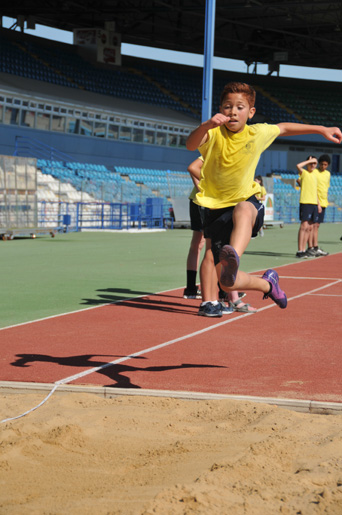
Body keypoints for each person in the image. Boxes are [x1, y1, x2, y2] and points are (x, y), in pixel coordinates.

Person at [186, 81, 342, 308]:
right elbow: (191, 145)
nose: (232, 112)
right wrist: (206, 125)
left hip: (247, 202)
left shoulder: (256, 133)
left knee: (242, 209)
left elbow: (285, 128)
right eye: (227, 106)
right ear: (220, 110)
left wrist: (321, 130)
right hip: (216, 206)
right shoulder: (213, 134)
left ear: (251, 113)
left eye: (239, 107)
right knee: (221, 274)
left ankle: (233, 258)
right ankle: (262, 286)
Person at [188, 157, 255, 316]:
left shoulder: (233, 149)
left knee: (223, 250)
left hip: (227, 203)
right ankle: (208, 302)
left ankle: (219, 299)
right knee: (211, 251)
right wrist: (208, 191)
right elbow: (193, 167)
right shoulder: (216, 146)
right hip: (215, 203)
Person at [183, 175, 205, 299]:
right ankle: (223, 291)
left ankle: (191, 288)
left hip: (199, 199)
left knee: (198, 244)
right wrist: (203, 191)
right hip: (204, 200)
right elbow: (192, 168)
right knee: (212, 245)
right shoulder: (210, 156)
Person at [295, 156, 320, 258]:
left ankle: (304, 249)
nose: (313, 165)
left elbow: (315, 190)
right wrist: (309, 161)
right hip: (306, 202)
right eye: (311, 163)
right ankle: (300, 250)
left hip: (314, 203)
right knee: (304, 226)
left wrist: (318, 204)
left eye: (315, 163)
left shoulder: (315, 175)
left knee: (310, 227)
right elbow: (298, 166)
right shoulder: (304, 173)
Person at [310, 154, 331, 256]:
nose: (323, 167)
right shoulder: (315, 172)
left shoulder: (328, 174)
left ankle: (315, 247)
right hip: (315, 202)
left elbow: (326, 187)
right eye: (322, 164)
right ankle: (313, 247)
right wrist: (318, 202)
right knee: (313, 225)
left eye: (325, 165)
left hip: (324, 203)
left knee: (317, 226)